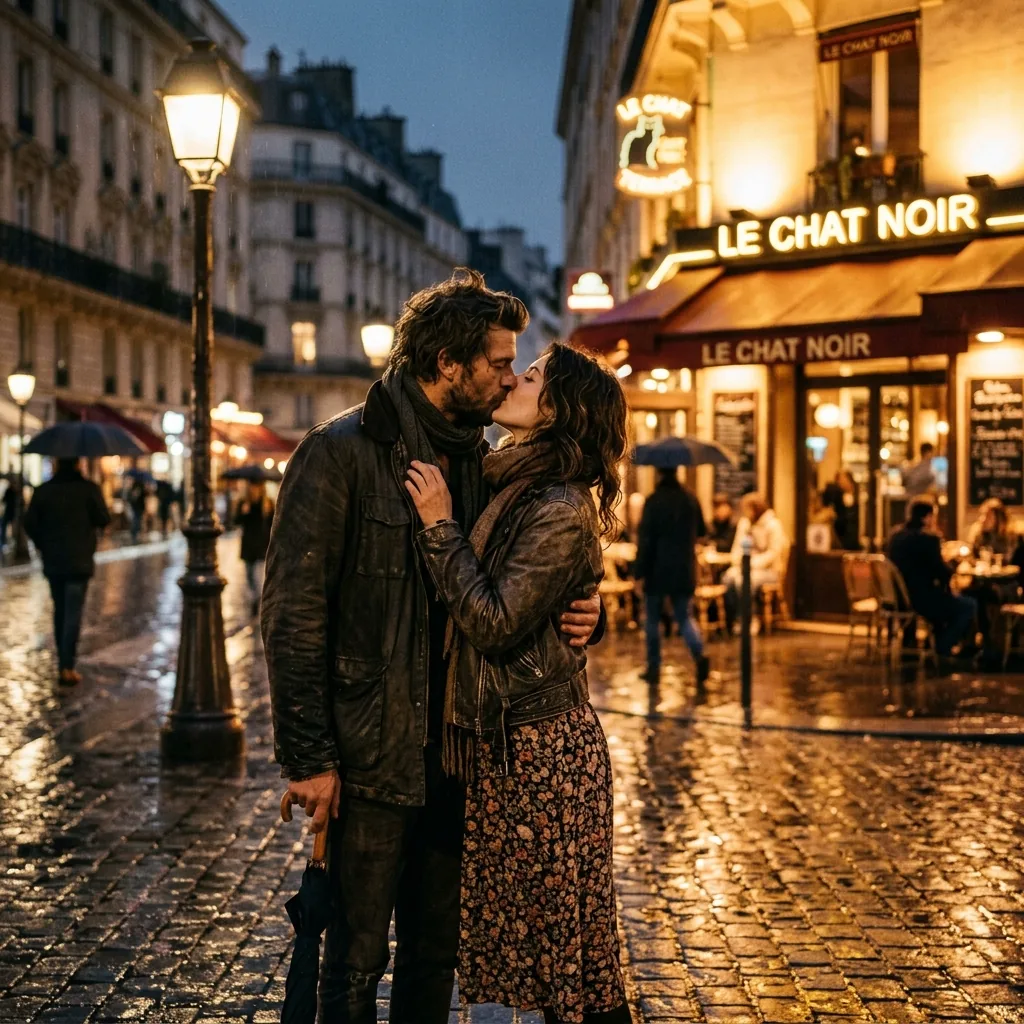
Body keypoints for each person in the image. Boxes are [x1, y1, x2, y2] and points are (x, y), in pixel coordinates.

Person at [262, 269, 603, 1024]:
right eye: (498, 363)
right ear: (448, 364)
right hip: (369, 756)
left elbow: (515, 590)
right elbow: (291, 617)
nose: (510, 376)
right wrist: (309, 758)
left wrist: (587, 611)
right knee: (353, 962)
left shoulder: (484, 464)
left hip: (460, 760)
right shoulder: (339, 453)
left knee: (433, 958)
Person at [405, 342, 631, 1024]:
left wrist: (440, 527)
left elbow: (497, 620)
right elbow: (543, 596)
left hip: (542, 754)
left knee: (568, 957)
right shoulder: (507, 478)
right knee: (544, 951)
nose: (513, 378)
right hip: (510, 747)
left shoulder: (555, 503)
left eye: (529, 376)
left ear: (557, 408)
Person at [24, 457, 111, 686]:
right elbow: (103, 518)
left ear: (56, 464)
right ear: (78, 464)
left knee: (60, 610)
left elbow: (30, 523)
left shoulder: (44, 491)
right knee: (72, 612)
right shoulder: (88, 489)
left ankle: (63, 662)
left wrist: (44, 544)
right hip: (79, 560)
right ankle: (67, 665)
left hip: (54, 561)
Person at [634, 467, 710, 685]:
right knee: (685, 617)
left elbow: (645, 541)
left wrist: (639, 572)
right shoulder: (690, 499)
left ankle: (654, 667)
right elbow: (703, 532)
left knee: (652, 620)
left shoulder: (653, 501)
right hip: (684, 569)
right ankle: (699, 655)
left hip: (656, 569)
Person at [887, 498, 977, 662]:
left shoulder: (895, 536)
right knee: (969, 605)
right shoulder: (928, 539)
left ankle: (934, 642)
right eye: (933, 516)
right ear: (926, 518)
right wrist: (954, 563)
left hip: (898, 598)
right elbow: (942, 573)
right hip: (922, 600)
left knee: (951, 602)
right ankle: (943, 647)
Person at [723, 493, 790, 633]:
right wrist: (737, 560)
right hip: (745, 565)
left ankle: (750, 618)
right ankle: (736, 618)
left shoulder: (773, 525)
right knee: (728, 579)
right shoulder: (745, 524)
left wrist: (752, 564)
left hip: (769, 570)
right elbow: (737, 547)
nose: (745, 512)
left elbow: (773, 553)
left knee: (744, 581)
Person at [234, 479, 274, 615]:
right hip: (248, 546)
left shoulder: (267, 503)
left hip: (262, 546)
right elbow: (236, 521)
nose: (254, 489)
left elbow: (274, 525)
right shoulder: (244, 503)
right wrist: (244, 512)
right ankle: (254, 598)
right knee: (249, 577)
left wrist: (269, 513)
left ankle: (257, 601)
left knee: (258, 577)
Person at [821, 469, 860, 550]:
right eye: (839, 480)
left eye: (843, 479)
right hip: (840, 537)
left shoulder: (857, 497)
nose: (841, 482)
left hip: (853, 538)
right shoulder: (836, 496)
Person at [128, 477, 146, 542]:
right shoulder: (136, 488)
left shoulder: (139, 488)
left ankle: (136, 535)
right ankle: (134, 535)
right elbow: (132, 499)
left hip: (138, 507)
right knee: (136, 521)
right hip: (136, 508)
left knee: (137, 521)